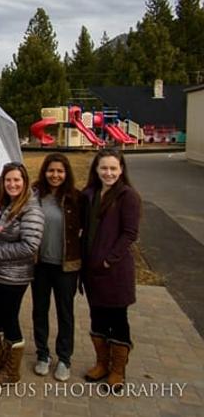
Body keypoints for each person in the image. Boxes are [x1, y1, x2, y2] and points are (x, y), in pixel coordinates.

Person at [0, 162, 44, 386]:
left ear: (25, 182)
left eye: (17, 180)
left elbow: (29, 246)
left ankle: (12, 372)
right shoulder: (9, 205)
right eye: (8, 180)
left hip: (15, 276)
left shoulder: (31, 209)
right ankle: (2, 361)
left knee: (9, 320)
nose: (12, 184)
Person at [81, 149, 140, 391]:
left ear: (121, 169)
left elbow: (130, 233)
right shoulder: (89, 194)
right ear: (96, 169)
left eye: (113, 168)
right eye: (104, 168)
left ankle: (118, 370)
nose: (108, 173)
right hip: (91, 271)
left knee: (118, 319)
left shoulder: (127, 196)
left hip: (115, 272)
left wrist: (109, 259)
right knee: (98, 317)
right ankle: (101, 363)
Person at [31, 153, 86, 382]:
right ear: (44, 172)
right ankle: (43, 354)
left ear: (66, 174)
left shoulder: (76, 198)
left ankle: (64, 358)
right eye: (51, 171)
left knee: (65, 313)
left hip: (66, 267)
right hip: (40, 265)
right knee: (39, 311)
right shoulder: (35, 195)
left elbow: (86, 231)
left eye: (60, 171)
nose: (55, 175)